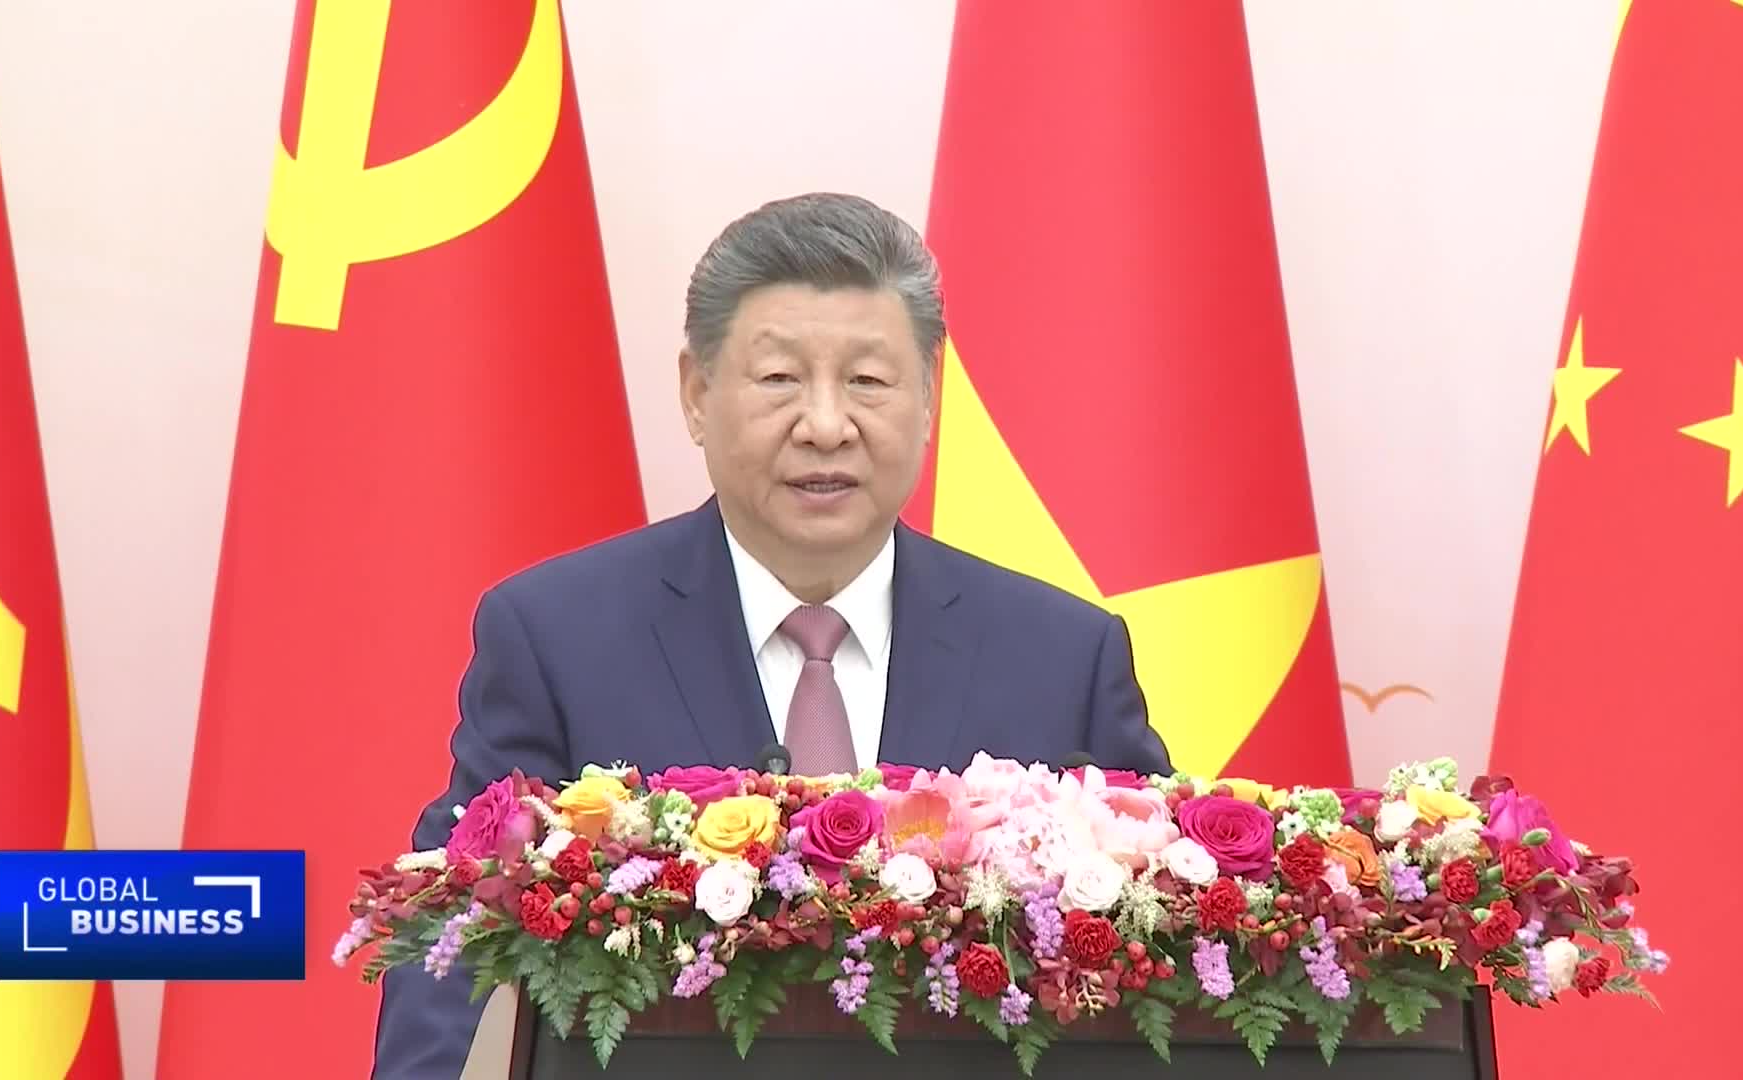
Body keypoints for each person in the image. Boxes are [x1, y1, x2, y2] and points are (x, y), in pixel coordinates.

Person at [370, 192, 1171, 1077]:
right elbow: (458, 946)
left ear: (930, 398)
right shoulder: (557, 637)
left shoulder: (1062, 657)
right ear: (698, 394)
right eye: (781, 379)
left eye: (868, 381)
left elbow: (1164, 952)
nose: (826, 425)